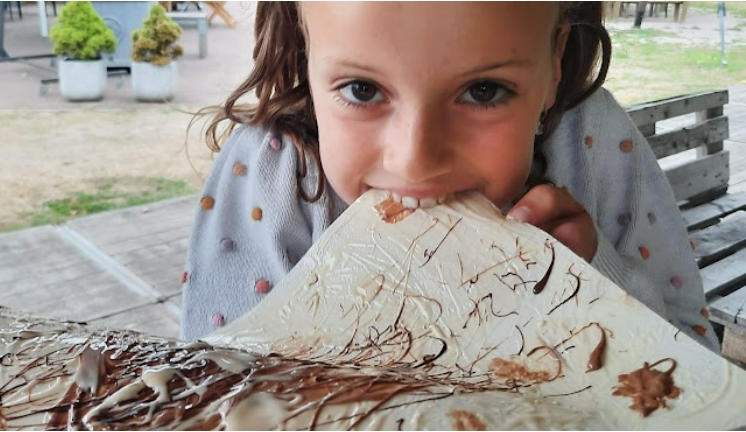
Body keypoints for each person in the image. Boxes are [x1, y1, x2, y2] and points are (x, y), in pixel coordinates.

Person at [180, 2, 718, 352]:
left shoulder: (593, 143)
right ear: (306, 50)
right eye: (363, 90)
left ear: (553, 66)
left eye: (484, 90)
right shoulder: (271, 176)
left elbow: (696, 360)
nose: (415, 161)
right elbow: (216, 392)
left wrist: (595, 285)